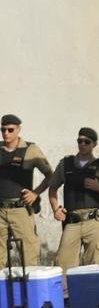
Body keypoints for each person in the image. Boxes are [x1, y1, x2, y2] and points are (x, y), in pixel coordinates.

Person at [45, 127, 99, 274]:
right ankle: (66, 296)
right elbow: (52, 188)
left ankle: (93, 296)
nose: (82, 144)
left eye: (86, 142)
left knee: (95, 267)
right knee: (63, 265)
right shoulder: (66, 164)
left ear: (94, 144)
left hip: (94, 221)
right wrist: (56, 209)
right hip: (72, 221)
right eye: (79, 141)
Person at [0, 114, 53, 268]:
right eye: (3, 130)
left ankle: (31, 290)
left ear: (19, 129)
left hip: (20, 209)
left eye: (10, 130)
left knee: (29, 255)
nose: (6, 133)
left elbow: (51, 175)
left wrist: (35, 193)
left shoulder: (31, 149)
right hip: (0, 210)